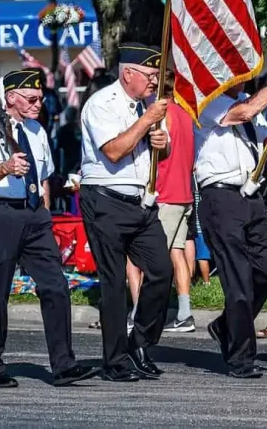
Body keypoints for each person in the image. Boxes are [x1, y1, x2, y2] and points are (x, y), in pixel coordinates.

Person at [0, 69, 95, 388]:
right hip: (1, 215)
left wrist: (46, 215)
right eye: (32, 98)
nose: (39, 102)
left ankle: (64, 363)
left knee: (55, 285)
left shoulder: (37, 130)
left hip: (35, 216)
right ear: (11, 97)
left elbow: (43, 178)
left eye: (41, 97)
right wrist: (5, 168)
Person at [194, 60, 267, 378]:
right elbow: (242, 114)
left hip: (251, 196)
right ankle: (240, 357)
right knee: (239, 282)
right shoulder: (209, 101)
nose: (246, 78)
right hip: (221, 197)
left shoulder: (251, 108)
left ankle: (224, 325)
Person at [78, 43, 172, 383]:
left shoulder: (147, 105)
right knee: (114, 282)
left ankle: (141, 342)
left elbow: (159, 152)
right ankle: (114, 360)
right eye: (149, 75)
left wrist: (163, 143)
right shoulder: (101, 104)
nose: (154, 82)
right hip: (106, 199)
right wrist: (148, 120)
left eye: (157, 75)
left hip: (141, 202)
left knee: (162, 270)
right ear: (127, 73)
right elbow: (115, 151)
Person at [156, 73, 197, 335]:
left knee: (154, 258)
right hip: (184, 192)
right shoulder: (185, 114)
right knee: (177, 253)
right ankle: (184, 312)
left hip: (165, 193)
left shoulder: (162, 115)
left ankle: (147, 312)